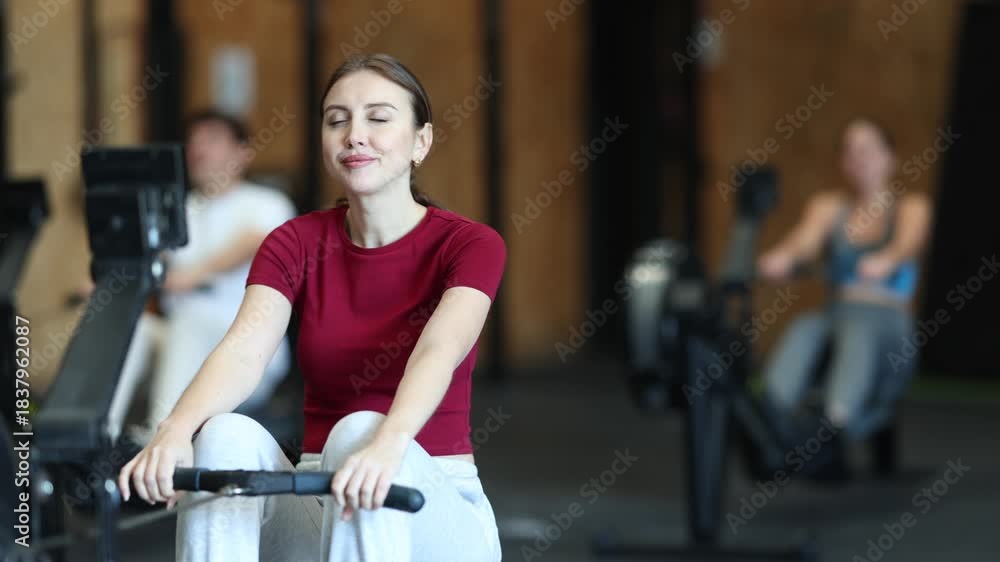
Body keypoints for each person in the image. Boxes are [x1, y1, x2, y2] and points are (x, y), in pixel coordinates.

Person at [117, 54, 506, 562]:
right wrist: (173, 430)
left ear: (421, 141)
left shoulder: (469, 244)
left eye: (379, 118)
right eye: (337, 120)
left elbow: (439, 349)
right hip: (316, 492)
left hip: (431, 496)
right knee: (223, 434)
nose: (355, 135)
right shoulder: (295, 241)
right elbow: (244, 350)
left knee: (358, 431)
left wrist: (388, 442)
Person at [109, 110, 296, 445]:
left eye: (212, 140)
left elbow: (254, 242)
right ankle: (100, 436)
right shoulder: (180, 209)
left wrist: (192, 276)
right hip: (182, 338)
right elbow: (153, 260)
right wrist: (110, 281)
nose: (199, 149)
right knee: (138, 328)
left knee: (189, 321)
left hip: (246, 348)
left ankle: (160, 441)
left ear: (243, 153)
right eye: (193, 142)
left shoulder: (266, 202)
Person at [756, 117, 933, 450]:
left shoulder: (911, 207)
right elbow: (804, 241)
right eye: (850, 151)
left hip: (886, 322)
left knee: (858, 332)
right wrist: (783, 256)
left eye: (867, 150)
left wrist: (887, 260)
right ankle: (771, 416)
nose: (858, 158)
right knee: (804, 328)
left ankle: (834, 425)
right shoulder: (828, 207)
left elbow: (907, 244)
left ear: (889, 157)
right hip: (836, 313)